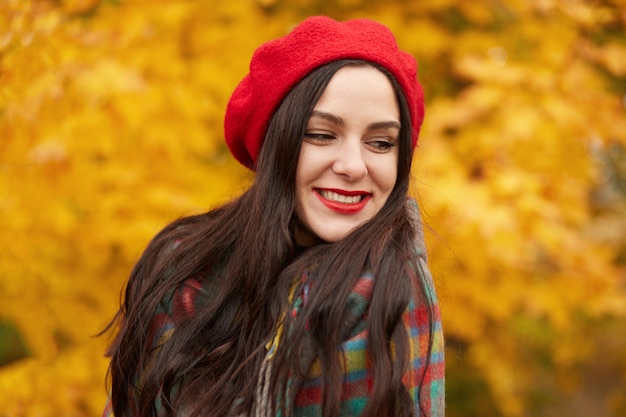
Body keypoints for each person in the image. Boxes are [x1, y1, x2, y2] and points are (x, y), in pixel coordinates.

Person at [103, 15, 445, 417]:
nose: (354, 165)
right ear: (275, 142)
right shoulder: (181, 265)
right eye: (321, 134)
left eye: (381, 142)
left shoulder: (392, 291)